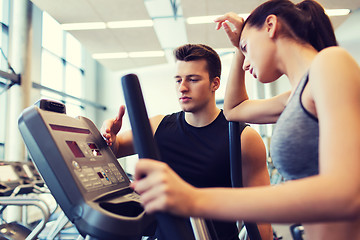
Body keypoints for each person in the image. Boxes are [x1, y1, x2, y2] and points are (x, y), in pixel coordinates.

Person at [131, 0, 360, 239]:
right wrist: (239, 48)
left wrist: (194, 198)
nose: (247, 61)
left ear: (270, 25)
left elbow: (346, 193)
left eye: (246, 48)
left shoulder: (330, 62)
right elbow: (234, 110)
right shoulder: (296, 97)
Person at [101, 44, 272, 240]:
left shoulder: (244, 138)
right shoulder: (157, 126)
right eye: (178, 80)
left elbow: (261, 217)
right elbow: (115, 148)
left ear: (215, 84)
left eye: (193, 79)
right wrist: (109, 135)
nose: (182, 87)